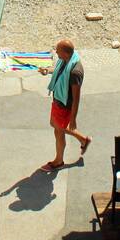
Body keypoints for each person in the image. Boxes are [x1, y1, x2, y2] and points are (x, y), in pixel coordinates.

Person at [42, 40, 91, 170]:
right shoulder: (65, 60)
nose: (56, 51)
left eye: (58, 50)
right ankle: (83, 139)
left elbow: (76, 98)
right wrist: (48, 70)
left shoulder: (75, 72)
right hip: (58, 100)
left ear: (65, 53)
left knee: (58, 131)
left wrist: (73, 119)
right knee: (55, 125)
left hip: (64, 106)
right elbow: (59, 70)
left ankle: (58, 161)